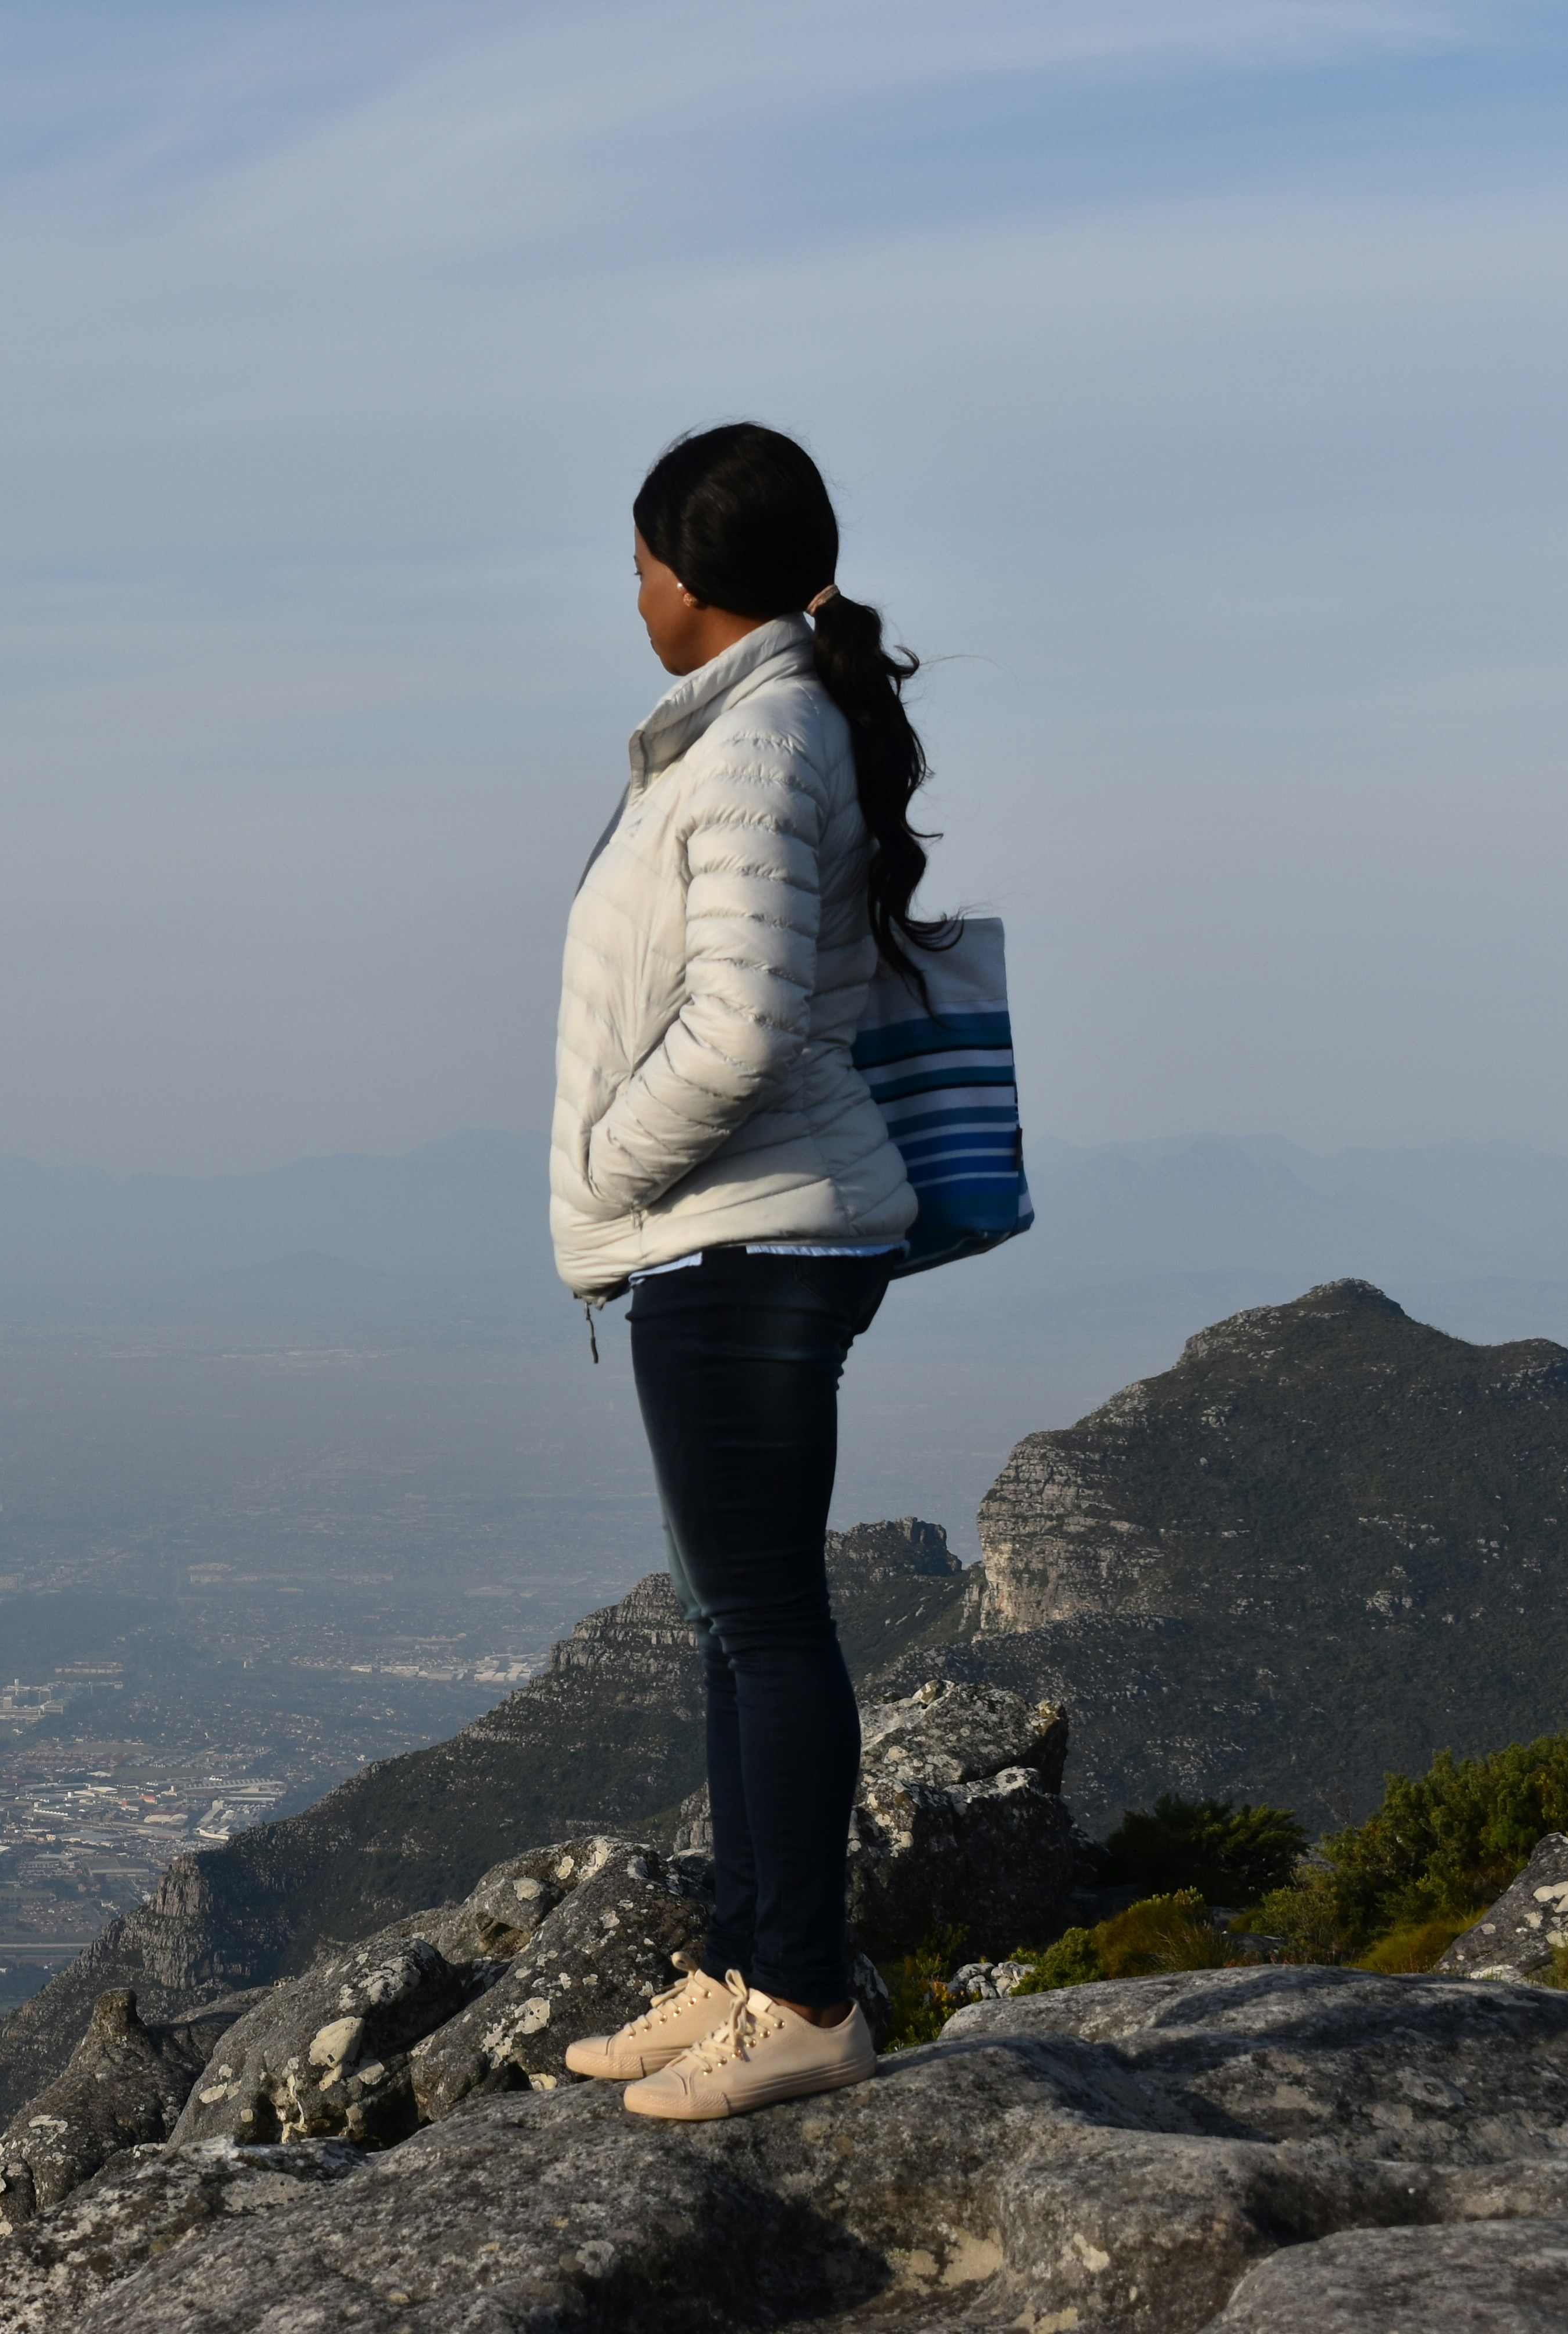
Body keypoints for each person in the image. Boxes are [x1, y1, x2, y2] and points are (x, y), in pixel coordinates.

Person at [542, 422, 953, 2120]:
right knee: (730, 1622)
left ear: (692, 581)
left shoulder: (756, 744)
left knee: (768, 1625)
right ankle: (741, 1959)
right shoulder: (749, 730)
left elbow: (746, 1024)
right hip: (736, 1228)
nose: (630, 592)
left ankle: (799, 1999)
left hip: (746, 1230)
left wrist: (602, 1169)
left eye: (639, 562)